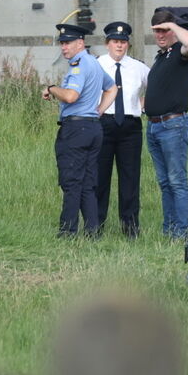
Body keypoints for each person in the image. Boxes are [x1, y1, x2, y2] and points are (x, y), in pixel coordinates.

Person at [43, 23, 117, 237]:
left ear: (80, 43)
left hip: (76, 129)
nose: (63, 48)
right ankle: (92, 232)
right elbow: (112, 88)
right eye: (61, 44)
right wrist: (98, 111)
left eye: (67, 43)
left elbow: (70, 96)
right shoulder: (93, 62)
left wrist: (50, 88)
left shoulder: (78, 66)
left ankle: (68, 232)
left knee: (71, 181)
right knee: (87, 182)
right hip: (93, 128)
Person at [144, 9, 188, 239]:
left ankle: (183, 232)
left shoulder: (180, 53)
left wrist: (173, 25)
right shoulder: (161, 57)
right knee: (164, 182)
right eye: (156, 30)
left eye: (164, 30)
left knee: (177, 181)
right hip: (155, 126)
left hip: (173, 125)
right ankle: (170, 230)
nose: (160, 34)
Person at [95, 21, 149, 237]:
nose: (119, 46)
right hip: (103, 124)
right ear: (107, 43)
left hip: (130, 127)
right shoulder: (96, 65)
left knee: (130, 177)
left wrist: (144, 104)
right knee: (99, 177)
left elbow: (157, 84)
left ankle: (130, 227)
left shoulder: (138, 67)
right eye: (115, 42)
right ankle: (96, 225)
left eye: (123, 42)